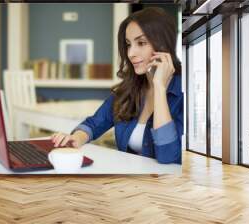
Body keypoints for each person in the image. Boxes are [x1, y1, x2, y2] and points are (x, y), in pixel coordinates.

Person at [51, 7, 183, 164]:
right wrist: (76, 138)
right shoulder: (129, 89)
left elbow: (168, 157)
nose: (131, 53)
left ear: (164, 45)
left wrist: (159, 88)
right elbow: (94, 123)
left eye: (141, 43)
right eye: (128, 44)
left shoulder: (183, 93)